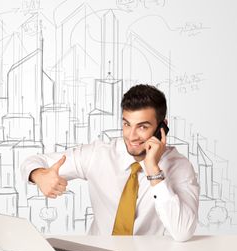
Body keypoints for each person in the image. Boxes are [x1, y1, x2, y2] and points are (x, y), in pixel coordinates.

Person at [20, 84, 199, 242]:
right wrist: (38, 175)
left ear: (162, 127)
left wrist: (153, 170)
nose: (132, 136)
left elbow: (183, 232)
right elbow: (34, 161)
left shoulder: (179, 167)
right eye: (127, 124)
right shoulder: (98, 154)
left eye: (142, 127)